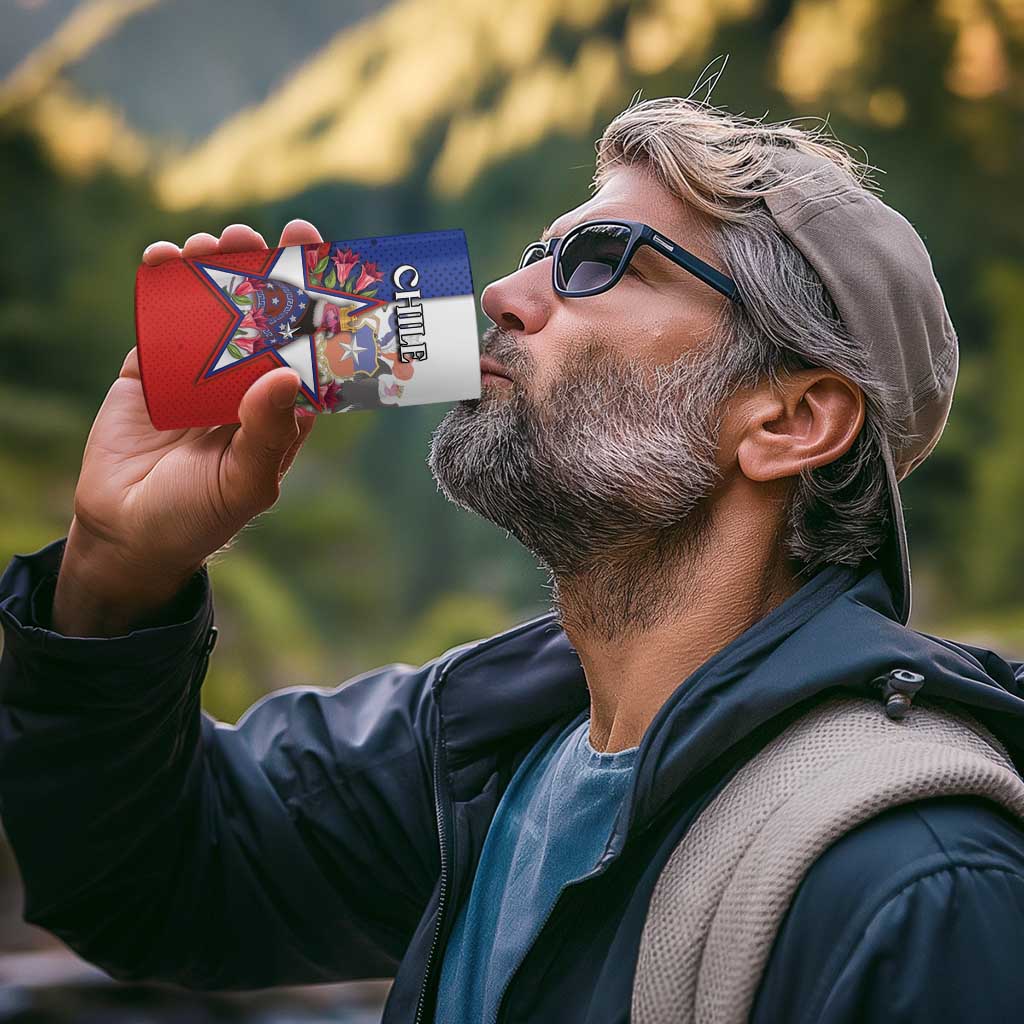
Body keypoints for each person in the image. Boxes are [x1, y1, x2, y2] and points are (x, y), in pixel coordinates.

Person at [2, 95, 1024, 1024]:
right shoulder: (480, 748)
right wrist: (115, 573)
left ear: (791, 419)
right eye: (540, 252)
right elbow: (149, 880)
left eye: (599, 261)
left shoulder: (918, 884)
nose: (501, 291)